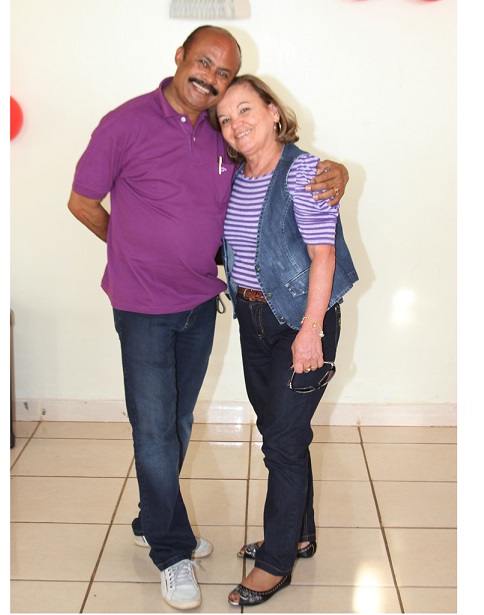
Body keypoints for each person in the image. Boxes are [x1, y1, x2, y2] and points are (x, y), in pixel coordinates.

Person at [67, 26, 349, 611]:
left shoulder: (259, 155)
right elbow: (83, 201)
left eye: (230, 82)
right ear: (180, 58)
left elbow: (311, 231)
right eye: (205, 65)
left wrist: (336, 172)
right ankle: (172, 547)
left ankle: (250, 546)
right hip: (162, 308)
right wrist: (128, 248)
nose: (215, 86)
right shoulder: (134, 127)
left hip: (231, 311)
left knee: (205, 427)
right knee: (162, 429)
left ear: (271, 112)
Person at [212, 75, 358, 607]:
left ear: (274, 112)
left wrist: (310, 332)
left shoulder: (305, 173)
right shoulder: (235, 176)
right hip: (252, 319)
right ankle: (298, 534)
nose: (235, 125)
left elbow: (324, 255)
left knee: (281, 441)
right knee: (281, 431)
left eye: (245, 110)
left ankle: (276, 563)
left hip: (300, 322)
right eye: (225, 119)